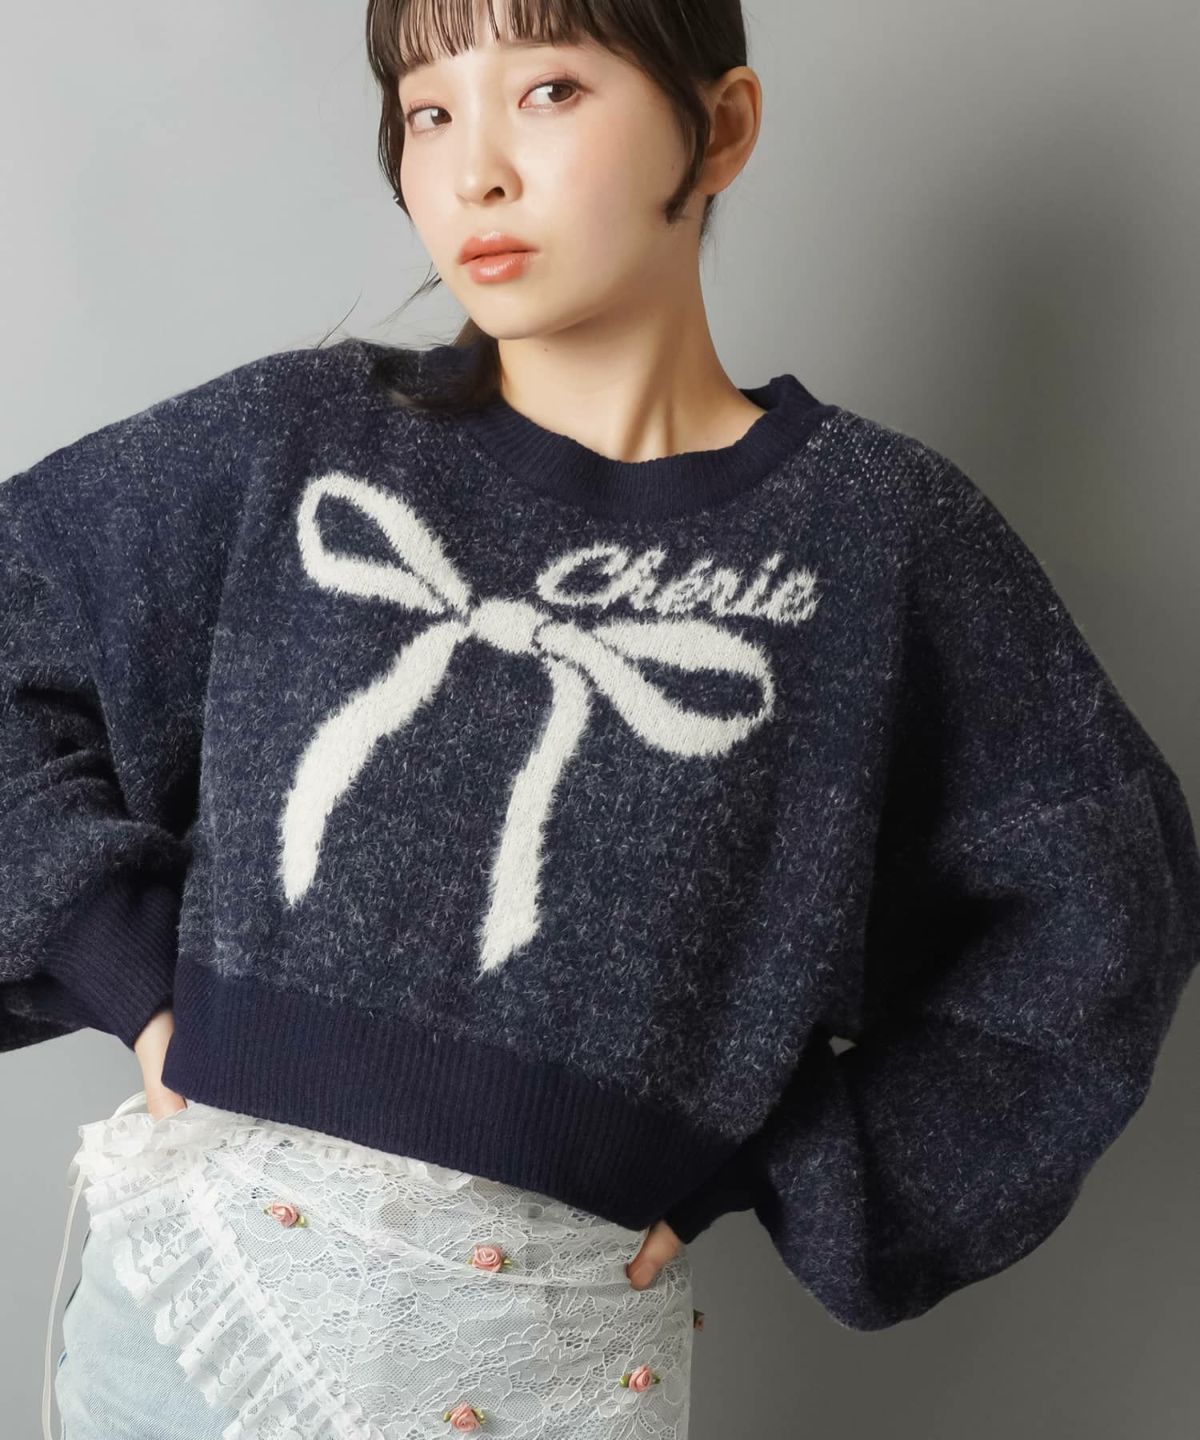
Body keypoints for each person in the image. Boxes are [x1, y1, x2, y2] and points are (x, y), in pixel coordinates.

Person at [4, 0, 1198, 1436]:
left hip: (554, 1368)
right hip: (197, 1321)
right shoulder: (300, 441)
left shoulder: (876, 537)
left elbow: (1098, 904)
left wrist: (781, 1155)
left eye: (551, 90)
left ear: (721, 128)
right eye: (429, 109)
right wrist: (120, 960)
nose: (475, 169)